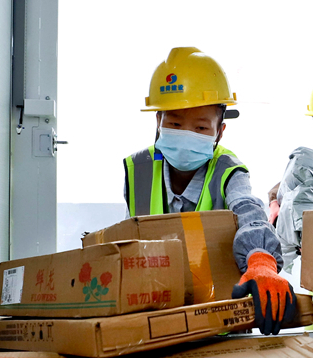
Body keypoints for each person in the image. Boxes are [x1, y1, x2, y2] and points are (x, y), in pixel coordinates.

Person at [123, 47, 295, 335]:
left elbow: (249, 212)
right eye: (175, 123)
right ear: (158, 121)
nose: (187, 134)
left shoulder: (228, 170)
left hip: (222, 323)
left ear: (220, 132)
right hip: (157, 323)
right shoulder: (137, 169)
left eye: (201, 128)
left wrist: (261, 260)